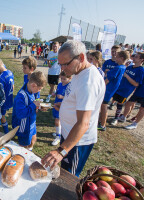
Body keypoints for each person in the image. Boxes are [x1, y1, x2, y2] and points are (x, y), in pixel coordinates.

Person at [41, 40, 105, 177]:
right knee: (64, 172)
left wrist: (61, 151)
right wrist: (63, 105)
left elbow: (83, 123)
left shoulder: (88, 82)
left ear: (81, 57)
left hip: (77, 142)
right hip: (69, 134)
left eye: (66, 64)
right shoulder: (78, 72)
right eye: (60, 64)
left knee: (69, 177)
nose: (62, 68)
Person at [12, 71, 47, 150]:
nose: (39, 91)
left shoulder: (32, 91)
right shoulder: (21, 96)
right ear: (34, 85)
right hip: (24, 128)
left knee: (33, 140)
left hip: (31, 123)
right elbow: (20, 114)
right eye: (39, 89)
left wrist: (39, 106)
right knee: (24, 146)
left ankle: (29, 151)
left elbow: (33, 103)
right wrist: (34, 105)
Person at [109, 52, 144, 126]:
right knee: (112, 101)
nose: (134, 58)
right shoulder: (129, 67)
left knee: (120, 104)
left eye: (136, 57)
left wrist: (127, 76)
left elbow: (136, 84)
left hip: (125, 91)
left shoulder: (141, 70)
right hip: (118, 88)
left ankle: (116, 118)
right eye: (134, 56)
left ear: (141, 60)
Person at [98, 50, 128, 131]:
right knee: (103, 106)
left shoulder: (118, 68)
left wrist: (100, 87)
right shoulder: (123, 67)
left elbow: (108, 79)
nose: (115, 58)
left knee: (104, 106)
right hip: (111, 90)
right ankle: (100, 121)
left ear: (121, 58)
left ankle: (102, 124)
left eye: (117, 57)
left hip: (107, 90)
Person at [0, 58, 14, 133]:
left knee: (1, 116)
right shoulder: (10, 72)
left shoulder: (1, 78)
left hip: (3, 101)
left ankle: (6, 132)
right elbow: (13, 86)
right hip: (9, 99)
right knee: (2, 115)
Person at [51, 71, 72, 146]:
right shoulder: (60, 84)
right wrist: (54, 93)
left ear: (70, 78)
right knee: (58, 121)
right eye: (61, 79)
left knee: (57, 121)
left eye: (64, 79)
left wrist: (62, 97)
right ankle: (59, 133)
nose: (62, 80)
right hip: (57, 104)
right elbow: (57, 91)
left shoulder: (70, 86)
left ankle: (58, 137)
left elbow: (71, 98)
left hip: (63, 106)